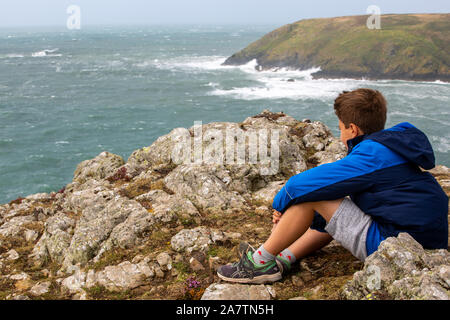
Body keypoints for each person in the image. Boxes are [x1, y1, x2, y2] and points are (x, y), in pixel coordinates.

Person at [217, 88, 449, 284]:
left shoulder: (372, 155)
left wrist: (280, 204)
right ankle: (284, 259)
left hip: (398, 245)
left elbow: (300, 185)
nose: (340, 135)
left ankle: (259, 264)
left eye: (340, 128)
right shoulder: (392, 146)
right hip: (425, 238)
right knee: (330, 205)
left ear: (353, 129)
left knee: (312, 198)